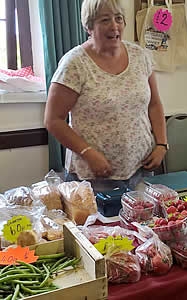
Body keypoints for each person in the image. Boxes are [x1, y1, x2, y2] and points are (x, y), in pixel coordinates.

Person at [44, 0, 168, 191]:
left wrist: (161, 143)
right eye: (104, 20)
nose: (114, 26)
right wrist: (88, 153)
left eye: (118, 18)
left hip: (142, 167)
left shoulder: (140, 56)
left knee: (143, 221)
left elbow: (154, 104)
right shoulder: (74, 64)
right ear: (89, 26)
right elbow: (53, 120)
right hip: (95, 176)